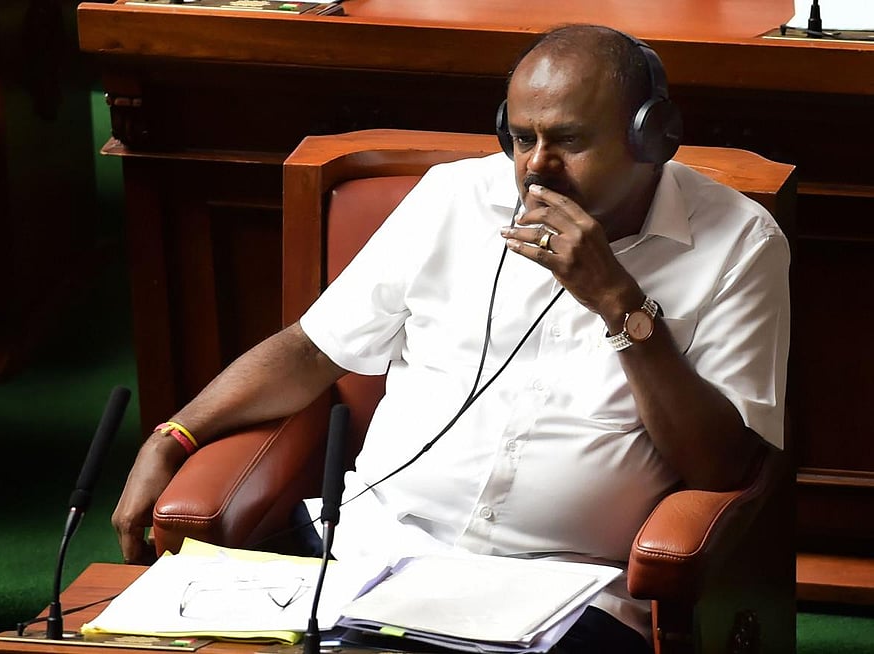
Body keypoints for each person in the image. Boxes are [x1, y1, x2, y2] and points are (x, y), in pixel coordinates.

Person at [112, 24, 790, 653]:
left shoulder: (739, 242)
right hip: (371, 558)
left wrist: (620, 305)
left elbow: (722, 467)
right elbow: (313, 349)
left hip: (567, 593)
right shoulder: (453, 198)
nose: (536, 167)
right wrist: (174, 435)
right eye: (521, 138)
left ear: (653, 136)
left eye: (569, 141)